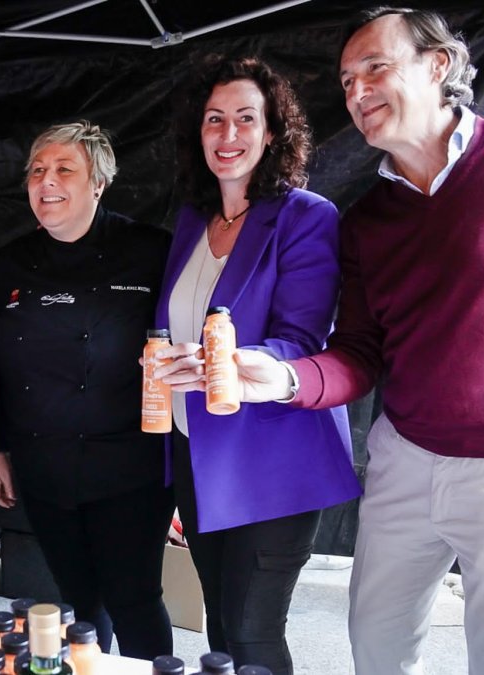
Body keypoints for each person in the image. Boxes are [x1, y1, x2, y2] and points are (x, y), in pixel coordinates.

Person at [229, 8, 484, 674]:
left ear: (438, 65)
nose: (356, 92)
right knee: (377, 648)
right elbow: (359, 353)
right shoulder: (366, 221)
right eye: (347, 80)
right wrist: (287, 377)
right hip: (406, 458)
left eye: (375, 68)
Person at [151, 56, 361, 675]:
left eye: (246, 118)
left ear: (272, 132)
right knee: (219, 621)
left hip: (274, 461)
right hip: (198, 450)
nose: (228, 134)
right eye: (214, 119)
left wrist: (224, 362)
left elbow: (302, 338)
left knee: (253, 632)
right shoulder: (193, 220)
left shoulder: (305, 216)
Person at [0, 121, 173, 659]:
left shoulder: (150, 250)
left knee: (134, 598)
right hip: (43, 465)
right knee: (79, 604)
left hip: (130, 467)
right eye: (37, 171)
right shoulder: (10, 262)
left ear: (98, 181)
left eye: (64, 169)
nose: (47, 181)